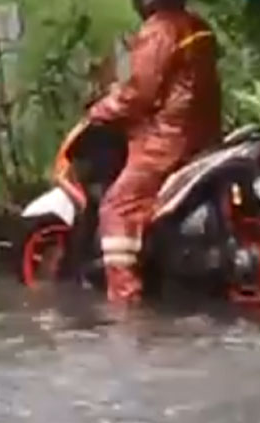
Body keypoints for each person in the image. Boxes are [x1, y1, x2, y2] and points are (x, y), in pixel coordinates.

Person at [87, 0, 222, 304]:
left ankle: (124, 294)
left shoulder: (160, 30)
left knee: (118, 205)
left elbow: (139, 93)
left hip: (166, 139)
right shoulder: (198, 27)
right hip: (204, 136)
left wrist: (100, 109)